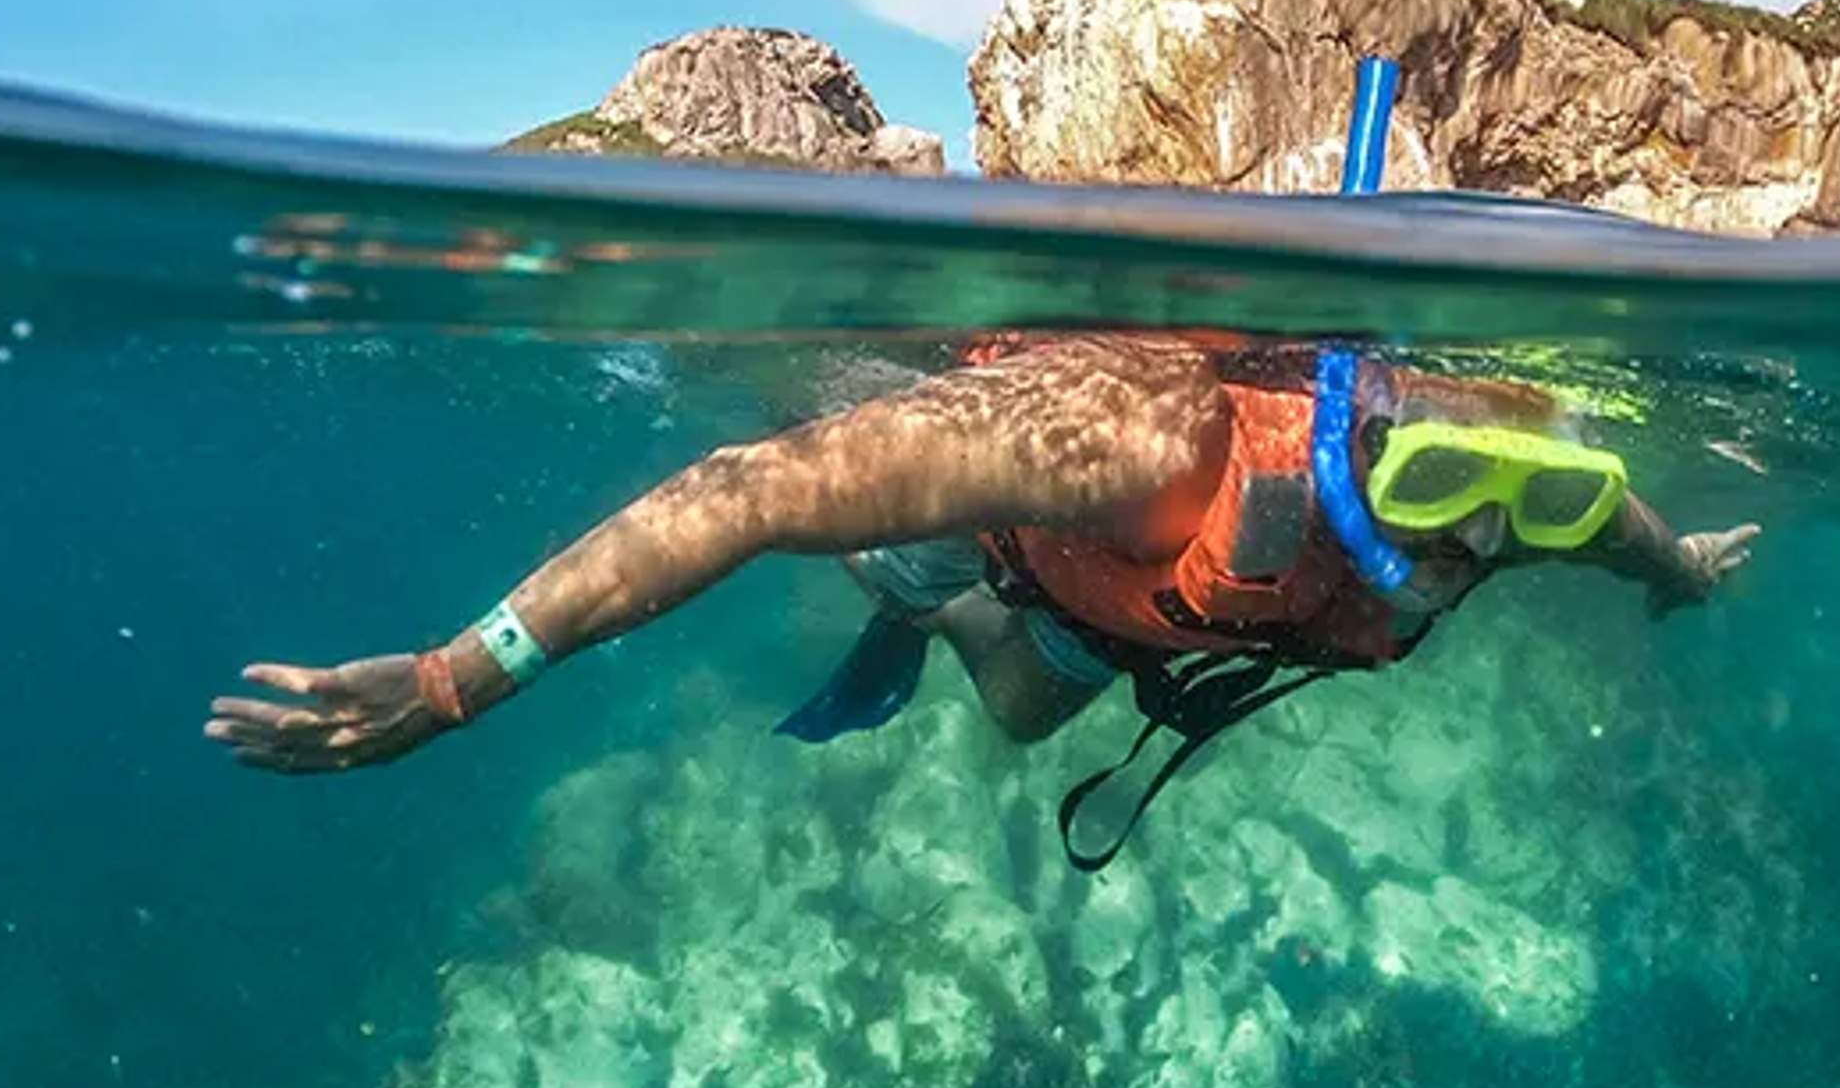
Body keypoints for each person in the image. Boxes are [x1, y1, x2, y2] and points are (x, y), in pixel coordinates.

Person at [205, 329, 1757, 862]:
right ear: (1364, 448)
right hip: (1020, 542)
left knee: (1019, 715)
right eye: (1443, 491)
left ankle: (950, 625)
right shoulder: (1155, 438)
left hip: (1128, 617)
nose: (1479, 537)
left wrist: (1678, 569)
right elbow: (742, 492)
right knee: (890, 547)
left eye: (1527, 506)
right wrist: (459, 676)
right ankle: (909, 581)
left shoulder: (1533, 501)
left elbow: (1620, 528)